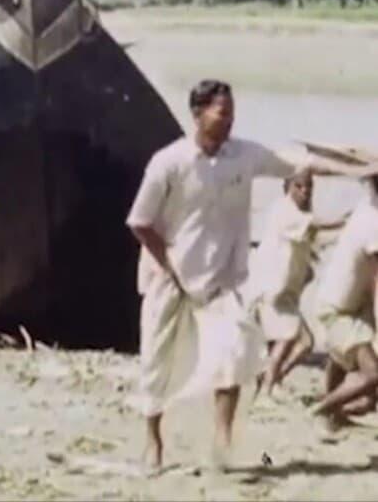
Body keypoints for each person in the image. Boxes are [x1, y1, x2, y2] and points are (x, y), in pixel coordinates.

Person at [126, 79, 366, 473]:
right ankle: (154, 444)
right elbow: (140, 221)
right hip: (169, 277)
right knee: (157, 361)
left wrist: (359, 167)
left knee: (234, 353)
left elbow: (301, 163)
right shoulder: (170, 161)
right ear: (198, 113)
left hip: (224, 280)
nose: (229, 121)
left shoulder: (245, 155)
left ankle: (222, 441)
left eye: (232, 113)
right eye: (222, 113)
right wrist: (168, 263)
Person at [247, 168, 348, 399]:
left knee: (304, 341)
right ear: (287, 187)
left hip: (286, 293)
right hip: (271, 290)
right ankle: (266, 390)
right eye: (299, 186)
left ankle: (271, 378)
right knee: (288, 338)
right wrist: (345, 221)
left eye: (309, 186)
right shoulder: (284, 211)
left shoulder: (300, 215)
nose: (305, 191)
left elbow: (316, 239)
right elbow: (317, 227)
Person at [312, 172, 378, 430]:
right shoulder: (374, 224)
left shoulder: (366, 207)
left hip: (345, 303)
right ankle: (321, 410)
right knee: (372, 373)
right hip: (338, 310)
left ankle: (332, 416)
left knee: (340, 358)